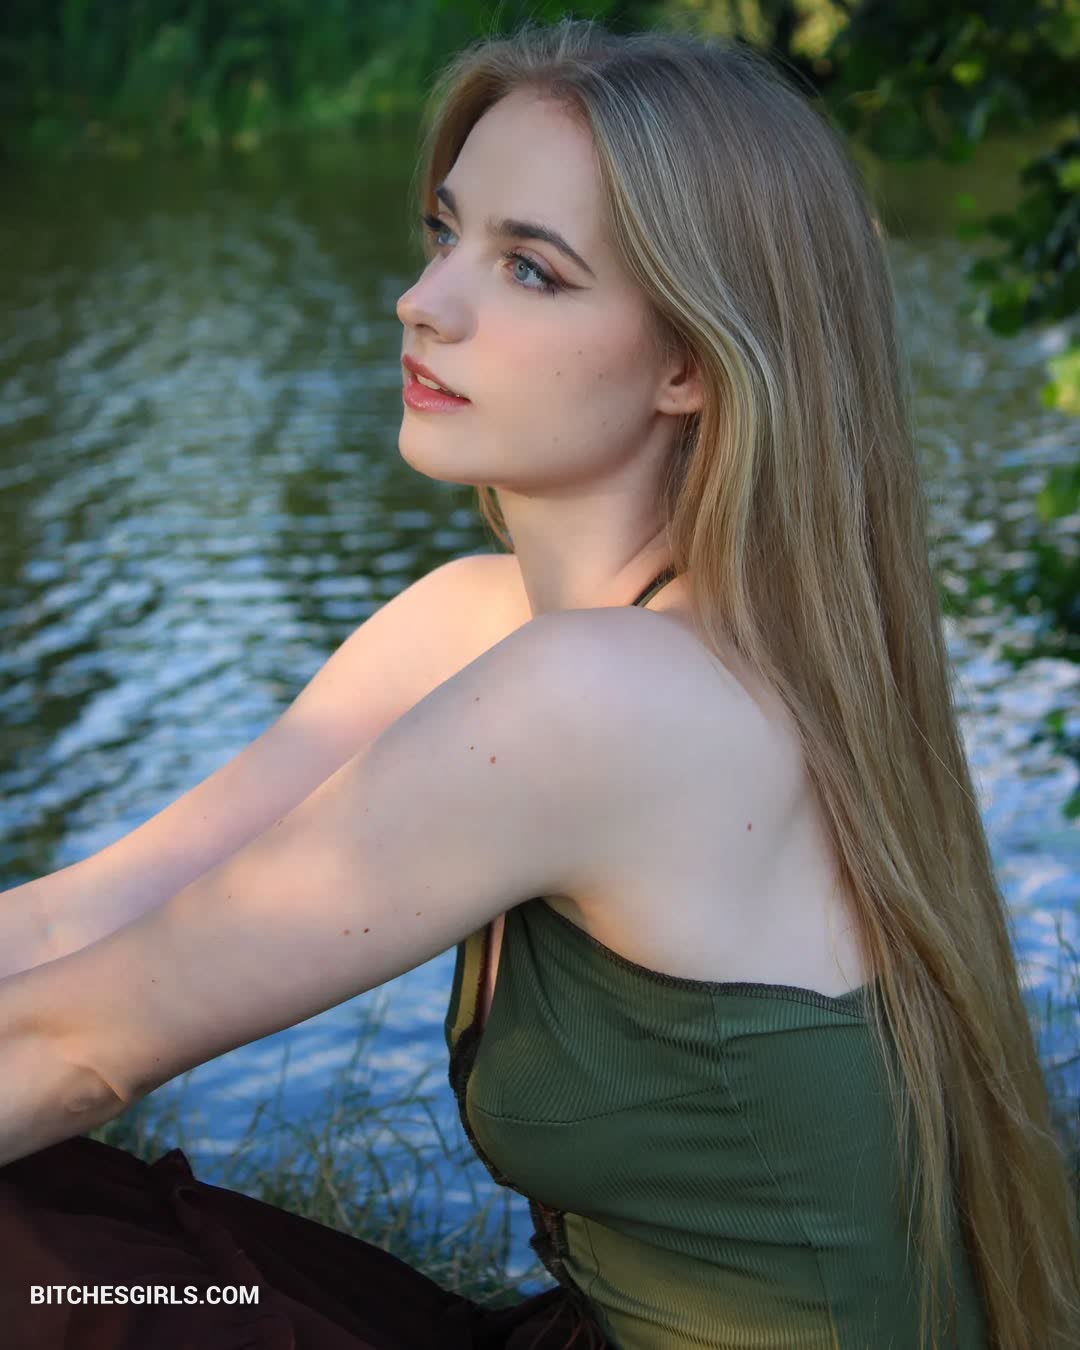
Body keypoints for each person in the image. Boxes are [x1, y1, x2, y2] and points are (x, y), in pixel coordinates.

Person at [1, 15, 1077, 1350]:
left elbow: (77, 1047)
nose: (425, 301)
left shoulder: (607, 701)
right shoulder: (489, 620)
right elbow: (90, 917)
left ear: (690, 363)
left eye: (529, 269)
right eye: (446, 234)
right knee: (64, 1242)